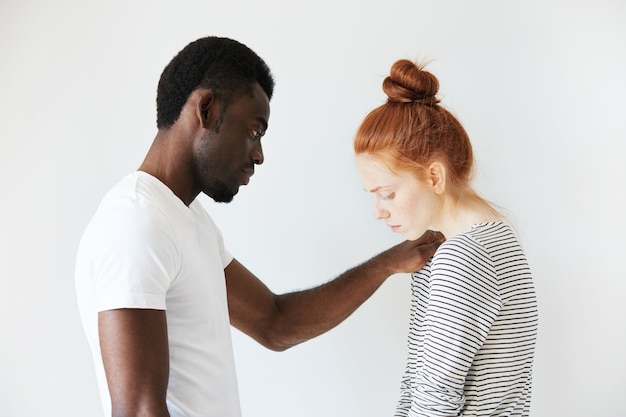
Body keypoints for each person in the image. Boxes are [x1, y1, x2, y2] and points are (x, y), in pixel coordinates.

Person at [74, 37, 443, 417]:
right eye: (254, 131)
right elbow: (137, 410)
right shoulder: (136, 222)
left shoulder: (186, 220)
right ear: (205, 108)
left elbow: (275, 323)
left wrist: (386, 264)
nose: (259, 155)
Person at [353, 59, 538, 417]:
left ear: (434, 177)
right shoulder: (498, 238)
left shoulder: (461, 259)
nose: (378, 210)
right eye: (371, 195)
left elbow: (432, 396)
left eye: (387, 193)